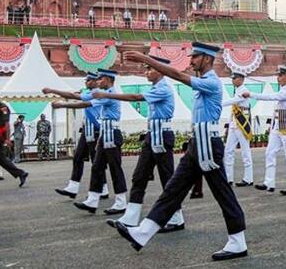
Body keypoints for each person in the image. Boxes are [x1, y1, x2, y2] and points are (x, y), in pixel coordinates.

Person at [114, 43, 248, 261]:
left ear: (206, 59)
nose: (191, 60)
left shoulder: (211, 81)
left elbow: (179, 76)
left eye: (195, 57)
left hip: (208, 145)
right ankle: (142, 232)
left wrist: (147, 59)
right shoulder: (206, 82)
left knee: (222, 192)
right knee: (173, 189)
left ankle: (238, 241)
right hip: (199, 143)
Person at [91, 56, 185, 232]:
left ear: (160, 70)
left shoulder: (163, 88)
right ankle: (131, 216)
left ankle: (176, 217)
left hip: (162, 136)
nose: (146, 72)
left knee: (168, 178)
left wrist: (106, 94)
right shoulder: (156, 87)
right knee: (139, 175)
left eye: (150, 68)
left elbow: (136, 97)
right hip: (152, 135)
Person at [66, 69, 128, 215]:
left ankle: (121, 201)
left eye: (101, 79)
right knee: (97, 167)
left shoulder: (110, 94)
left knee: (115, 168)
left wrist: (63, 105)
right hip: (105, 134)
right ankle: (92, 200)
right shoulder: (104, 93)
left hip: (112, 134)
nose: (98, 81)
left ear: (109, 79)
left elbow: (85, 104)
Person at [48, 73, 109, 200]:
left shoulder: (97, 93)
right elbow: (75, 97)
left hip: (96, 129)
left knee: (96, 161)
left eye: (88, 80)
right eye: (85, 80)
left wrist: (56, 96)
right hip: (87, 128)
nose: (86, 82)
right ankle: (73, 187)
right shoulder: (90, 92)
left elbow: (77, 100)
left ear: (95, 81)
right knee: (78, 157)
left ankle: (103, 188)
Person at [245, 66, 286, 195]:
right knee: (269, 153)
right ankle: (269, 182)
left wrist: (252, 94)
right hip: (278, 124)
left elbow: (271, 97)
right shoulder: (283, 89)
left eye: (281, 75)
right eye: (278, 75)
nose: (278, 77)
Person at [0, 88, 29, 191]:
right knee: (0, 158)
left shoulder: (3, 108)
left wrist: (8, 139)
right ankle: (21, 173)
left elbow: (7, 124)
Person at [221, 72, 254, 187]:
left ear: (241, 79)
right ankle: (228, 178)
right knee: (228, 150)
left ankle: (248, 178)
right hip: (234, 123)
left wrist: (219, 104)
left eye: (234, 78)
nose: (233, 80)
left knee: (245, 151)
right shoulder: (237, 90)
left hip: (242, 123)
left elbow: (233, 101)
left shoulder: (243, 90)